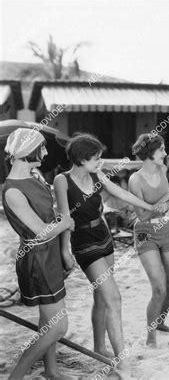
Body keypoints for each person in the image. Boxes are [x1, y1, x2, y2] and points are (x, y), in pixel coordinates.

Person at [53, 133, 160, 377]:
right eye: (95, 158)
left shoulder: (96, 175)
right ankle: (122, 363)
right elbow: (64, 218)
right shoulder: (62, 180)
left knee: (101, 297)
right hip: (83, 242)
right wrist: (64, 251)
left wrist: (149, 207)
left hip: (103, 237)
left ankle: (100, 346)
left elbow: (119, 194)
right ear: (81, 159)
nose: (100, 162)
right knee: (114, 298)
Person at [2, 129, 75, 379]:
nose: (45, 152)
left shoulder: (35, 176)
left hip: (50, 255)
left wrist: (64, 248)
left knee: (48, 321)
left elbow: (49, 216)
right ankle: (17, 375)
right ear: (28, 150)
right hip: (36, 259)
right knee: (59, 327)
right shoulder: (12, 191)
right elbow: (42, 232)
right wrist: (65, 222)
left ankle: (52, 371)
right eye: (42, 148)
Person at [128, 133, 169, 347]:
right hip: (146, 232)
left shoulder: (163, 169)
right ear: (150, 152)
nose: (165, 153)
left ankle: (160, 322)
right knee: (159, 288)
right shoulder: (135, 179)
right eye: (161, 150)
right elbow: (142, 215)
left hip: (168, 228)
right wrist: (168, 198)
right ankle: (150, 338)